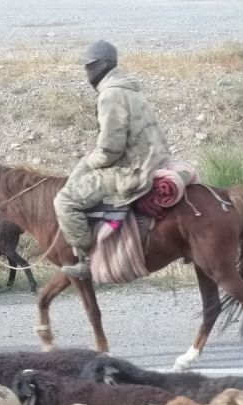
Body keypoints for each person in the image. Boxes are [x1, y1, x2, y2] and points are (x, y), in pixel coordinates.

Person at [54, 40, 172, 280]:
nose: (86, 72)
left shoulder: (110, 94)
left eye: (89, 66)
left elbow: (110, 150)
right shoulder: (130, 89)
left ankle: (86, 261)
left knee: (65, 200)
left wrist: (88, 162)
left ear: (102, 65)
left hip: (133, 171)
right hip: (154, 161)